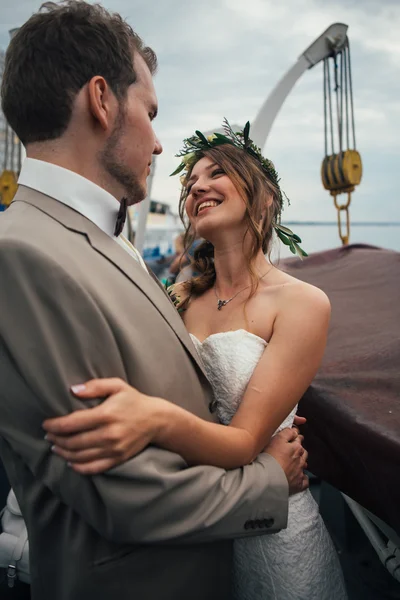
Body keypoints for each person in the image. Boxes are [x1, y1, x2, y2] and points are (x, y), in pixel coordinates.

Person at [0, 3, 308, 600]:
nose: (163, 144)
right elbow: (121, 490)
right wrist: (271, 481)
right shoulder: (24, 253)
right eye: (151, 111)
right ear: (101, 100)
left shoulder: (106, 240)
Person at [45, 122, 348, 599]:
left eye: (216, 173)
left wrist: (151, 419)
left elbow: (245, 441)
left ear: (263, 197)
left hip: (276, 535)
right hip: (200, 529)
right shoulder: (177, 300)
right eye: (190, 184)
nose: (197, 187)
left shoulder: (304, 303)